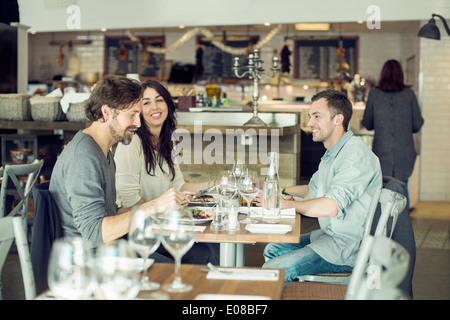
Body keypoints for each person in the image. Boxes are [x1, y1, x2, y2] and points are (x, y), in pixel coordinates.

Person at [258, 90, 382, 282]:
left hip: (349, 247)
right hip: (331, 236)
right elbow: (312, 191)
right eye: (310, 116)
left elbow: (331, 206)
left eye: (317, 116)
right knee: (273, 249)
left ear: (337, 119)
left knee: (274, 269)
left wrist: (281, 204)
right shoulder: (332, 153)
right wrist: (277, 191)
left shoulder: (355, 155)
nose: (309, 123)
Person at [49, 75, 173, 264]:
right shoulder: (83, 157)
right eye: (131, 114)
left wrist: (162, 209)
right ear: (107, 112)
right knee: (176, 268)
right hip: (87, 263)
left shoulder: (103, 151)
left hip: (107, 251)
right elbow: (95, 233)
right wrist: (153, 207)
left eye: (139, 115)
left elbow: (110, 214)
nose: (138, 123)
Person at [114, 79, 219, 264]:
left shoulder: (167, 140)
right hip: (137, 231)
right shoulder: (132, 143)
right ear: (138, 111)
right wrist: (166, 217)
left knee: (212, 246)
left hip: (160, 225)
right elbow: (129, 199)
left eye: (159, 99)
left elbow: (178, 184)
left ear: (168, 104)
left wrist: (216, 184)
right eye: (146, 103)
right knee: (202, 253)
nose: (155, 107)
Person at [362, 59, 424, 208]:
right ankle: (403, 228)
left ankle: (381, 227)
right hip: (405, 152)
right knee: (402, 188)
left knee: (381, 189)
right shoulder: (409, 94)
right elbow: (417, 124)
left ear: (382, 74)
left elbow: (368, 124)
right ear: (401, 75)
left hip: (381, 151)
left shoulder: (374, 94)